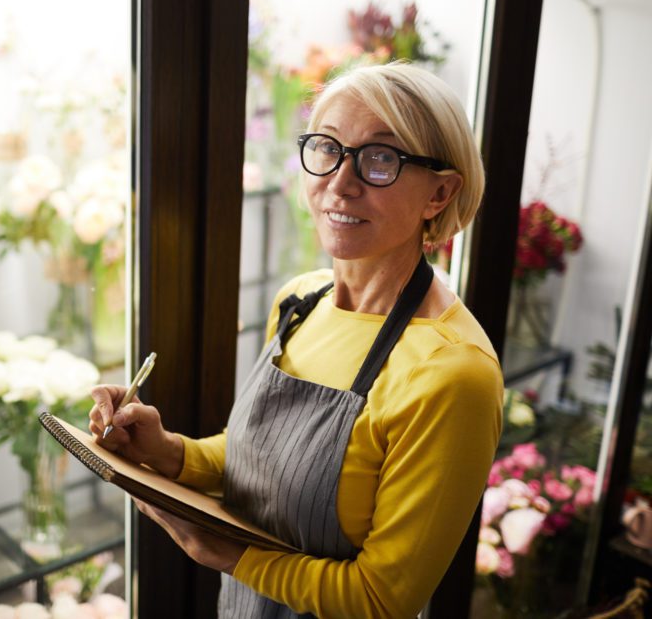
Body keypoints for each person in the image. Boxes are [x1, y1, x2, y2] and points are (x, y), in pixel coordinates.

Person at [89, 62, 503, 618]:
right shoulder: (300, 303)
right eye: (327, 148)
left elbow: (382, 600)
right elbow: (263, 464)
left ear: (440, 193)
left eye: (380, 159)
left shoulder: (452, 374)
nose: (340, 182)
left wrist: (234, 556)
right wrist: (167, 451)